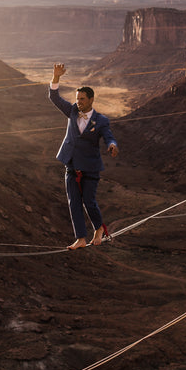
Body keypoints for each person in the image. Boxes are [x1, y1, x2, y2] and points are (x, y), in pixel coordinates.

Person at [49, 62, 119, 249]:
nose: (78, 102)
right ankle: (80, 238)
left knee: (89, 201)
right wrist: (56, 77)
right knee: (74, 203)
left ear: (91, 100)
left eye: (82, 99)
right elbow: (54, 97)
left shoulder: (101, 120)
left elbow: (109, 137)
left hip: (90, 167)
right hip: (71, 164)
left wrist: (112, 145)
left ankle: (99, 229)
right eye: (77, 98)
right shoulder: (72, 111)